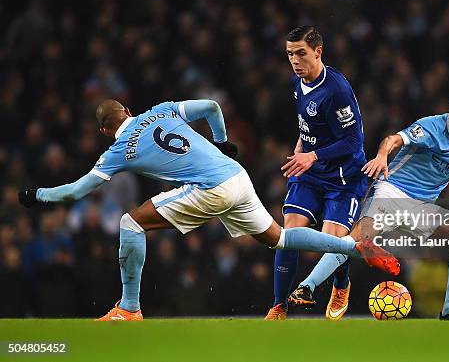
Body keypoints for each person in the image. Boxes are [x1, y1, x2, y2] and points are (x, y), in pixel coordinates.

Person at [18, 99, 399, 321]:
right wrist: (222, 142)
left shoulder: (117, 150)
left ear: (104, 131)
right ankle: (354, 247)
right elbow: (212, 107)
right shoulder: (161, 110)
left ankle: (129, 308)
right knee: (279, 238)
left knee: (129, 222)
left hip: (211, 188)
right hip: (236, 174)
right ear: (129, 110)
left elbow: (73, 192)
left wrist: (34, 196)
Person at [290, 84, 449, 320]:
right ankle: (307, 286)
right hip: (392, 192)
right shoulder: (432, 126)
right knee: (356, 239)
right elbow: (393, 139)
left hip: (422, 208)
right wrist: (382, 155)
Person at [267, 26, 368, 320]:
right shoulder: (297, 82)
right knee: (291, 233)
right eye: (290, 54)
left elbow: (353, 141)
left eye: (301, 53)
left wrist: (312, 155)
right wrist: (301, 149)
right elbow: (308, 125)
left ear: (318, 52)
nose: (295, 60)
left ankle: (341, 284)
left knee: (333, 241)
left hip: (344, 179)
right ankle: (279, 305)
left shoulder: (337, 90)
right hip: (311, 173)